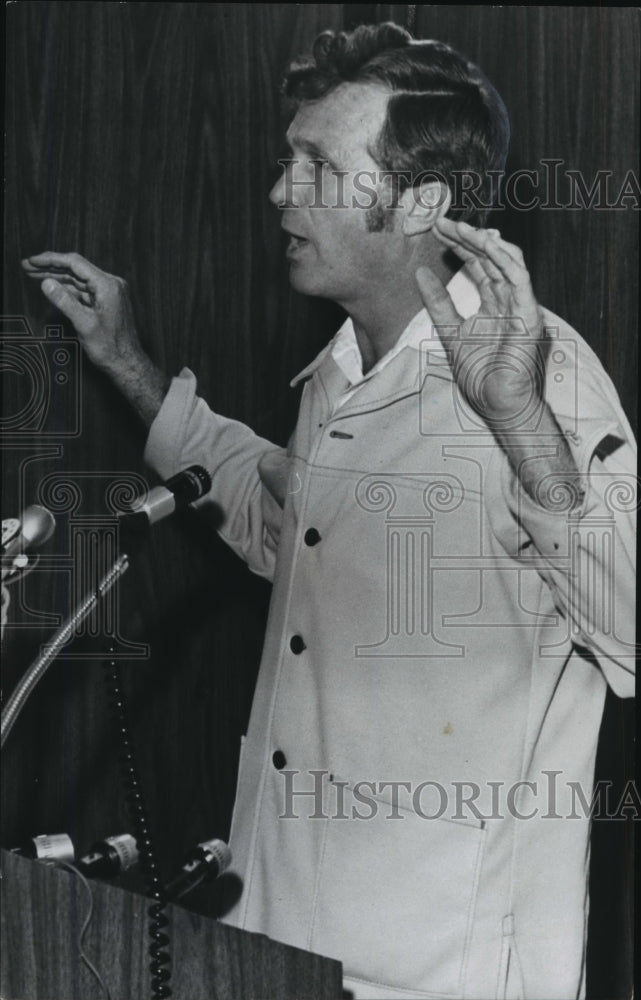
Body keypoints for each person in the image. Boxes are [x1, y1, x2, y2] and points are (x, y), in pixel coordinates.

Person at [22, 23, 635, 1000]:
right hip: (276, 949)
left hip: (437, 978)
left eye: (317, 167)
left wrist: (517, 420)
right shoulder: (341, 372)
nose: (280, 192)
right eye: (286, 161)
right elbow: (287, 526)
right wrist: (128, 364)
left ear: (420, 201)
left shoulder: (538, 374)